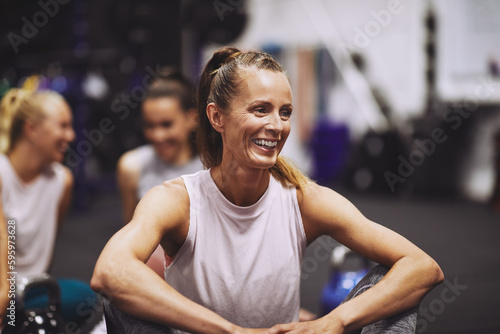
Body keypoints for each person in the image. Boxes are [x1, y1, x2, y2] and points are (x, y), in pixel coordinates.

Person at [91, 47, 444, 333]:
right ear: (216, 118)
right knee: (120, 300)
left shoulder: (304, 199)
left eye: (285, 112)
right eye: (260, 110)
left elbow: (423, 267)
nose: (276, 126)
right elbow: (109, 271)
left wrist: (334, 321)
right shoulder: (177, 200)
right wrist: (229, 332)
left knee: (396, 290)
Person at [0, 86, 96, 328]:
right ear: (31, 129)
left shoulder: (62, 180)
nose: (71, 136)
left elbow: (46, 249)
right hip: (3, 286)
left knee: (84, 296)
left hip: (30, 290)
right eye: (62, 126)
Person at [116, 70, 202, 276]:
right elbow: (131, 236)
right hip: (154, 276)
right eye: (150, 126)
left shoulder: (214, 165)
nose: (157, 135)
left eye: (166, 124)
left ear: (192, 119)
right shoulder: (132, 166)